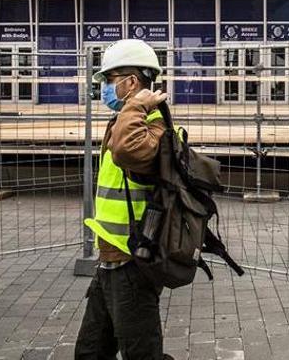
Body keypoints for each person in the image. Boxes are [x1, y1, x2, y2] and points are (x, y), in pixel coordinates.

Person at [75, 39, 174, 360]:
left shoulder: (152, 126)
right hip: (110, 259)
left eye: (109, 80)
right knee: (90, 351)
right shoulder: (128, 121)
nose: (104, 88)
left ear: (131, 82)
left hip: (132, 263)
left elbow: (128, 151)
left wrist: (136, 106)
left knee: (141, 353)